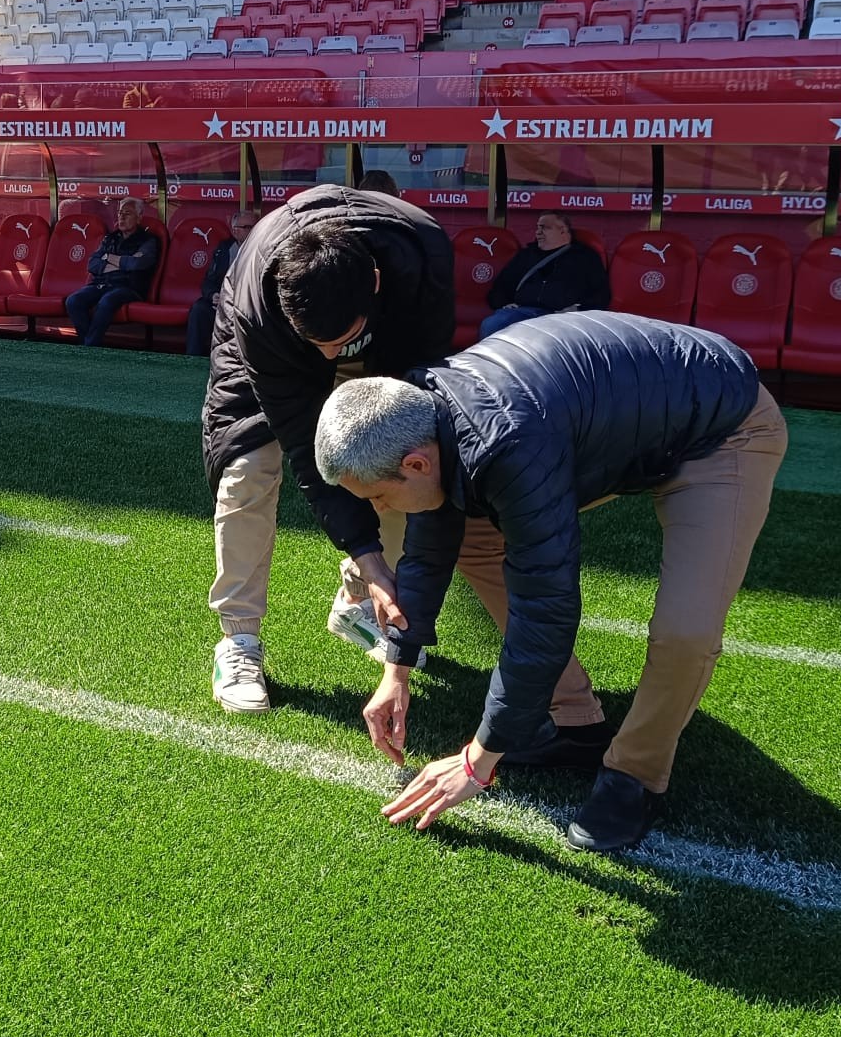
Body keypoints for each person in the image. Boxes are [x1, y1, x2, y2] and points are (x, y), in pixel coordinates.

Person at [314, 312, 787, 852]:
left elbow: (547, 610)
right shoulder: (428, 415)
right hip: (619, 425)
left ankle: (635, 773)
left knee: (687, 627)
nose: (379, 511)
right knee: (472, 538)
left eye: (377, 497)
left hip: (723, 428)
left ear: (418, 463)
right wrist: (396, 667)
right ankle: (577, 724)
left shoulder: (509, 444)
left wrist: (479, 762)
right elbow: (430, 541)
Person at [198, 184, 606, 751]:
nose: (327, 362)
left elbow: (418, 422)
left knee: (394, 463)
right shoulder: (259, 305)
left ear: (375, 287)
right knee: (249, 468)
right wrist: (362, 548)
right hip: (260, 347)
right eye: (315, 345)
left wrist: (369, 560)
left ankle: (360, 596)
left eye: (337, 343)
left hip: (389, 336)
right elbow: (302, 446)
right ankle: (239, 640)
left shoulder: (424, 257)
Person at [480, 211, 610, 338]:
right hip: (523, 312)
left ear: (563, 230)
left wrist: (578, 309)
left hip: (562, 316)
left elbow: (601, 294)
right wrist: (504, 304)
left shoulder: (585, 257)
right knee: (493, 324)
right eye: (537, 228)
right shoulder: (526, 256)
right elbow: (499, 288)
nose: (538, 232)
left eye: (544, 228)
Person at [63, 197, 160, 346]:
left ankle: (90, 345)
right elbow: (92, 264)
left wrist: (108, 258)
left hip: (128, 287)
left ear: (139, 218)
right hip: (102, 283)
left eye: (127, 213)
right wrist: (122, 262)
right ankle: (88, 344)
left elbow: (137, 263)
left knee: (107, 301)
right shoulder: (110, 238)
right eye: (120, 213)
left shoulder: (148, 240)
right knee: (73, 301)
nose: (121, 217)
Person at [186, 208, 256, 357]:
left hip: (248, 302)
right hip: (222, 301)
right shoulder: (224, 249)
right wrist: (213, 295)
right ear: (235, 230)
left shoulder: (262, 247)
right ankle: (192, 359)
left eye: (254, 226)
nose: (252, 230)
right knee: (199, 309)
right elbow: (208, 281)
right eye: (247, 227)